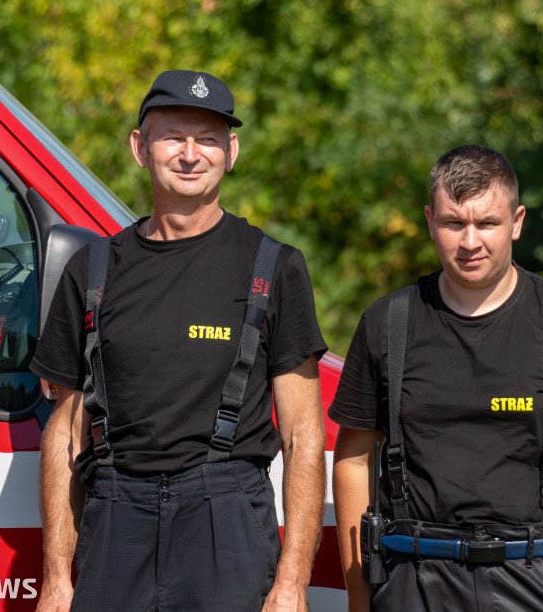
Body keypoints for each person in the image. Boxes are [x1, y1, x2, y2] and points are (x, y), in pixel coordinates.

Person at [31, 70, 328, 612]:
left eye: (208, 139)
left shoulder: (274, 266)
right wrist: (55, 579)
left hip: (228, 523)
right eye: (173, 137)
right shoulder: (92, 270)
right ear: (141, 147)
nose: (191, 154)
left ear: (231, 151)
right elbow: (66, 435)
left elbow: (304, 436)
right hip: (115, 517)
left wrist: (292, 583)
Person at [329, 144, 543, 611]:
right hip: (416, 576)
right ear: (431, 221)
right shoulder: (386, 323)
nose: (470, 242)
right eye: (454, 223)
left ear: (517, 221)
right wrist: (359, 595)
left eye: (487, 223)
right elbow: (352, 460)